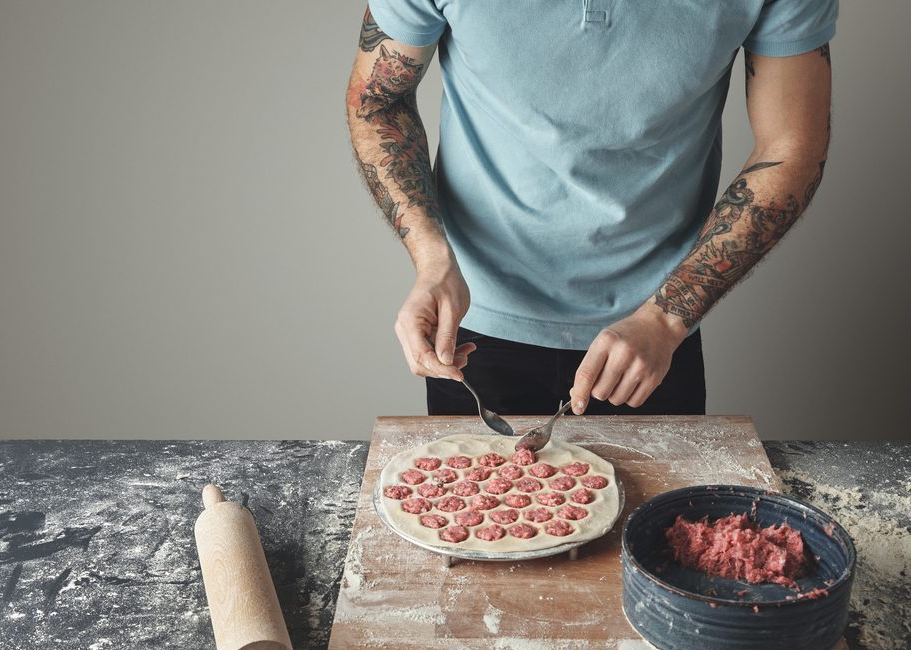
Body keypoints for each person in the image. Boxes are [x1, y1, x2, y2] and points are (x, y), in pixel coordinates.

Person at [346, 1, 835, 417]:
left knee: (656, 526)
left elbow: (793, 146)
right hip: (472, 316)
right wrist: (431, 260)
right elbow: (376, 101)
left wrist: (666, 319)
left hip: (656, 326)